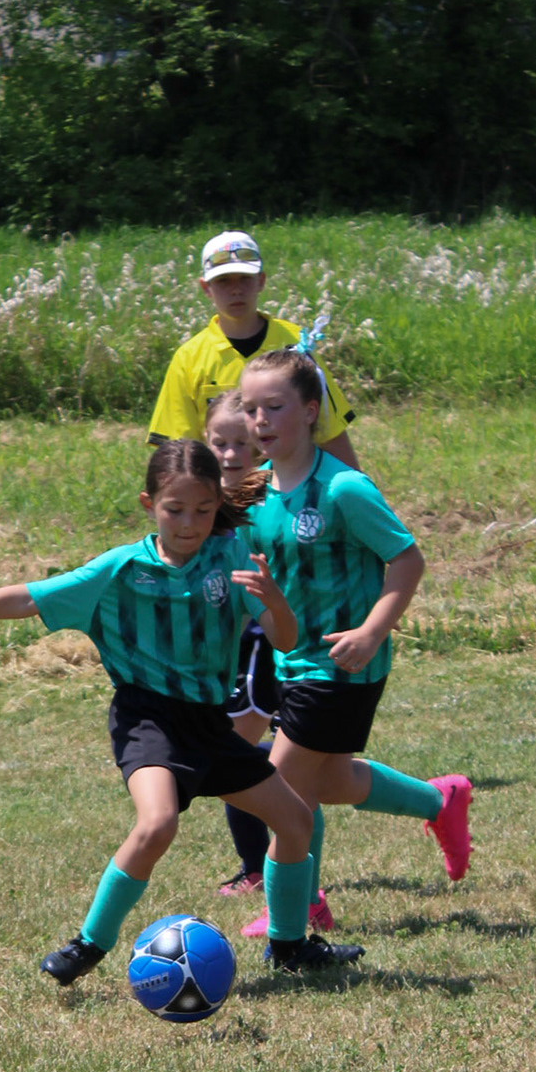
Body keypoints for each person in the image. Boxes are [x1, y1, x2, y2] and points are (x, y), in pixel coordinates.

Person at [0, 440, 364, 980]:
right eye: (175, 510)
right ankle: (88, 944)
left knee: (295, 821)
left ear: (218, 505)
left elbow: (285, 640)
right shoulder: (120, 569)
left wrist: (274, 600)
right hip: (148, 720)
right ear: (149, 504)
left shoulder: (231, 557)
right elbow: (28, 597)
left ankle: (289, 947)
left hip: (210, 725)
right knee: (158, 823)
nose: (189, 524)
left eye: (203, 510)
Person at [234, 349, 473, 947]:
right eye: (250, 408)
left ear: (311, 410)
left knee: (280, 788)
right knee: (329, 783)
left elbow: (407, 560)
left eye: (274, 406)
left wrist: (372, 631)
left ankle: (297, 916)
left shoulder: (343, 488)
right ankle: (439, 800)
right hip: (292, 661)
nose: (260, 420)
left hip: (343, 665)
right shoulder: (257, 494)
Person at [205, 392, 335, 936]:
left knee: (242, 760)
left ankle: (275, 877)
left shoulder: (268, 497)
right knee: (312, 773)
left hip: (274, 646)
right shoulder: (203, 499)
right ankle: (439, 799)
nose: (232, 453)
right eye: (220, 442)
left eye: (242, 442)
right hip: (234, 649)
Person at [147, 230, 360, 470]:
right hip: (223, 486)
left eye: (245, 278)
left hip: (292, 484)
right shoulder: (189, 358)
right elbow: (178, 452)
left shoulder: (296, 345)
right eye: (223, 280)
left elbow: (329, 430)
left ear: (261, 280)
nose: (236, 290)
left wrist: (357, 488)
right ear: (206, 287)